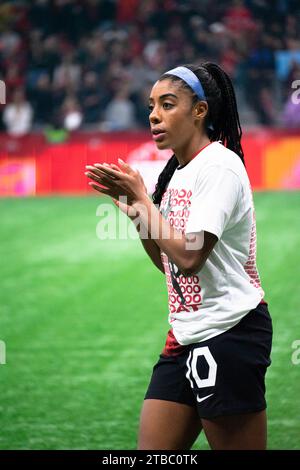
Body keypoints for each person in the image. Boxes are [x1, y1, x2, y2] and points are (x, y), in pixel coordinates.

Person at [84, 62, 273, 450]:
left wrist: (144, 202)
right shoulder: (176, 174)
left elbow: (190, 257)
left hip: (229, 333)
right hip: (184, 335)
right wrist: (139, 215)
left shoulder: (219, 166)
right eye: (151, 106)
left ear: (199, 111)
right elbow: (170, 266)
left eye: (167, 104)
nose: (154, 114)